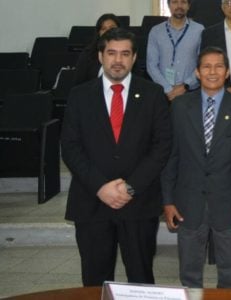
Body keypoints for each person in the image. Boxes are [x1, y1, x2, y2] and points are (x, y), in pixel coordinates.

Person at [61, 28, 172, 286]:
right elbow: (70, 147)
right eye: (111, 53)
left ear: (134, 58)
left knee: (141, 279)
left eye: (125, 54)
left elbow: (162, 147)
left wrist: (130, 187)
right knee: (94, 281)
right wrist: (100, 187)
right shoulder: (80, 95)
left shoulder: (153, 94)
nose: (118, 60)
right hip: (91, 202)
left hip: (138, 203)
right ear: (100, 56)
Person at [161, 47, 231, 289]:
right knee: (189, 277)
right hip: (188, 204)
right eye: (206, 66)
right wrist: (168, 200)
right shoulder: (180, 106)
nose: (212, 72)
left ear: (227, 72)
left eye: (218, 66)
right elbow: (170, 158)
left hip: (230, 206)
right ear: (197, 72)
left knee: (229, 277)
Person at [147, 0, 204, 101]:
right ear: (169, 5)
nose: (179, 6)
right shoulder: (156, 31)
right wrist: (168, 89)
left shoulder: (199, 30)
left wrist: (185, 86)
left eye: (183, 2)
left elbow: (202, 64)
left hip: (190, 92)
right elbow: (151, 65)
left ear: (188, 5)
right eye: (175, 2)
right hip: (162, 93)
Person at [74, 13, 120, 85]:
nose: (108, 31)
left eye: (112, 28)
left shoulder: (127, 52)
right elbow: (79, 82)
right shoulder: (88, 54)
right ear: (99, 33)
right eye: (103, 29)